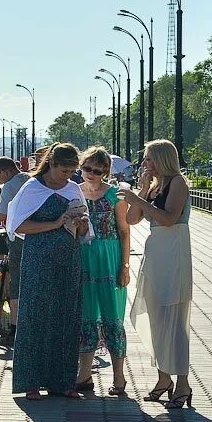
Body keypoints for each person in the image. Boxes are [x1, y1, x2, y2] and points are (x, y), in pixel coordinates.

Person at [6, 143, 91, 400]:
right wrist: (55, 223)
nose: (68, 176)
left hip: (68, 259)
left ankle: (63, 381)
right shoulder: (32, 188)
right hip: (38, 259)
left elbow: (86, 234)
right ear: (51, 164)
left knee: (66, 317)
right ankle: (31, 381)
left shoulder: (73, 189)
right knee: (36, 318)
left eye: (71, 171)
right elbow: (18, 226)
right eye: (64, 170)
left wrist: (82, 223)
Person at [121, 139, 193, 408]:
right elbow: (131, 219)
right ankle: (164, 378)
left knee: (175, 318)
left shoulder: (178, 182)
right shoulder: (154, 185)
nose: (144, 163)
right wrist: (141, 190)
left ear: (162, 159)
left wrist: (139, 199)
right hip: (156, 252)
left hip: (174, 250)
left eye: (149, 159)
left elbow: (169, 218)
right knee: (156, 316)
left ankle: (182, 383)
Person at [76, 146, 131, 395]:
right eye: (87, 168)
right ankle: (84, 374)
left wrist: (125, 266)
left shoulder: (114, 196)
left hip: (109, 256)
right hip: (84, 256)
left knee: (112, 317)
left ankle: (119, 377)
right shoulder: (75, 193)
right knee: (86, 316)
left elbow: (124, 230)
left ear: (105, 172)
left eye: (97, 171)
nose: (91, 174)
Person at [0, 157, 31, 339]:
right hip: (37, 235)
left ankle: (15, 328)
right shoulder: (30, 178)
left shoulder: (9, 186)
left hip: (19, 237)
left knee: (16, 281)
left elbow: (1, 213)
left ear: (5, 172)